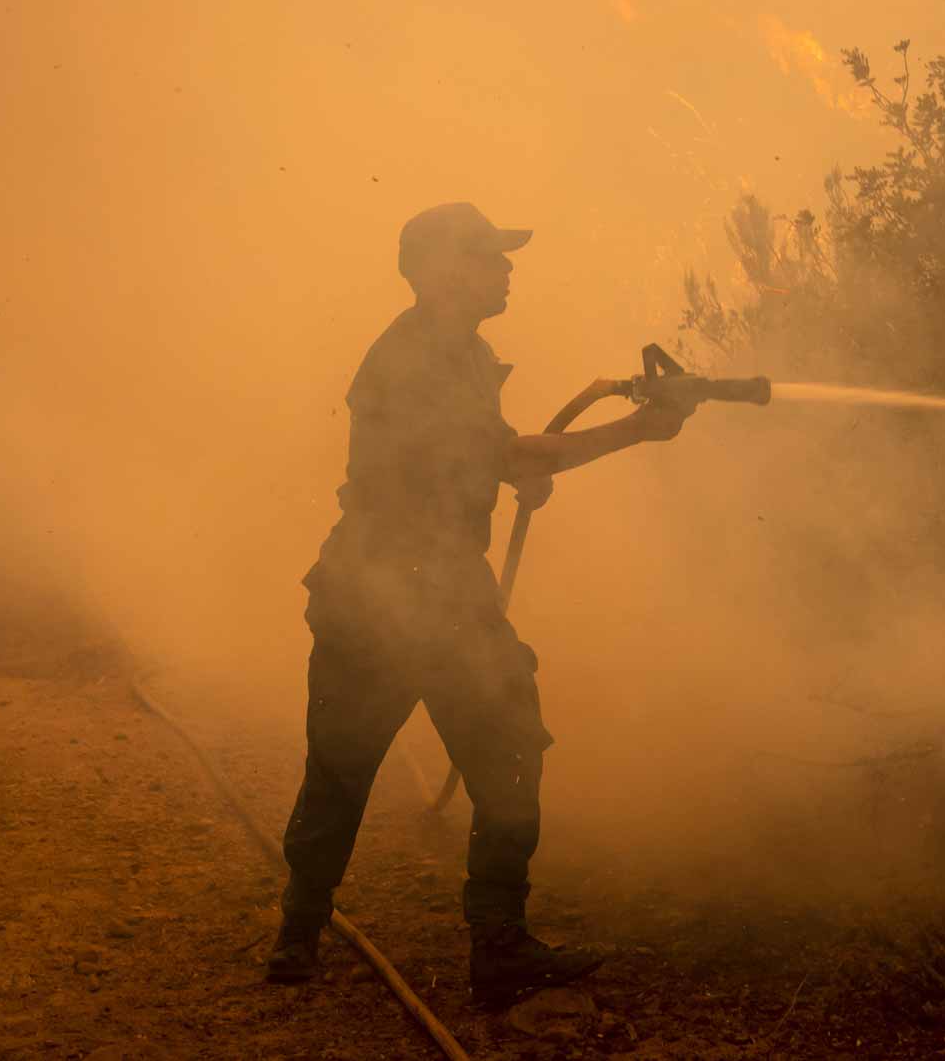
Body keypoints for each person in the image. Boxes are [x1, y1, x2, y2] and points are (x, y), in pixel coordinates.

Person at [265, 202, 691, 1006]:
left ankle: (473, 943)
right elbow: (502, 452)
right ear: (435, 273)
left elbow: (481, 459)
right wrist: (638, 431)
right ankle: (314, 928)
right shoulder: (412, 358)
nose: (506, 270)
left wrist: (515, 472)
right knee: (362, 766)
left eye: (503, 257)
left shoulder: (463, 351)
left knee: (489, 754)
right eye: (488, 257)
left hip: (407, 587)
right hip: (395, 591)